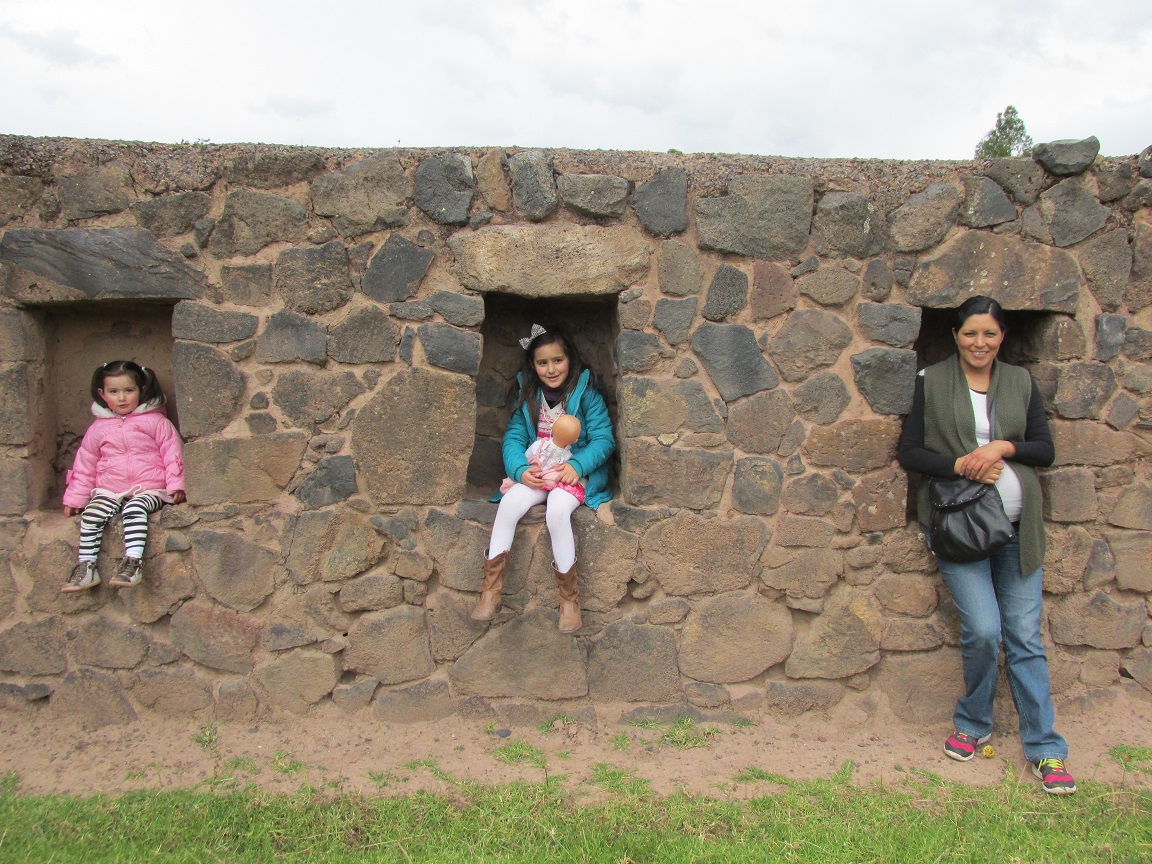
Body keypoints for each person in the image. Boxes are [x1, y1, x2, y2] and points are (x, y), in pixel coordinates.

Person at [897, 295, 1075, 794]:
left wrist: (1001, 447)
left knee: (1024, 637)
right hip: (960, 530)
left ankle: (1046, 749)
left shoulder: (1020, 383)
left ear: (1002, 339)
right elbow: (910, 452)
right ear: (955, 335)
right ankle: (973, 722)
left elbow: (1045, 449)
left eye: (990, 334)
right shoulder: (931, 381)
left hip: (1019, 531)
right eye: (971, 333)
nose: (980, 342)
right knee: (984, 631)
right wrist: (961, 464)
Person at [471, 324, 615, 632]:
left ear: (570, 360)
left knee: (558, 510)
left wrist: (578, 464)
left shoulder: (586, 394)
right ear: (533, 366)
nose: (551, 369)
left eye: (557, 360)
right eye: (542, 362)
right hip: (540, 470)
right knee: (509, 503)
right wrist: (521, 470)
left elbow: (603, 439)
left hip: (573, 473)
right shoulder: (529, 397)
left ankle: (569, 601)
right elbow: (513, 438)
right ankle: (490, 590)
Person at [61, 360, 186, 592]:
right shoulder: (98, 429)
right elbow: (85, 465)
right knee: (91, 516)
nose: (121, 398)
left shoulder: (156, 422)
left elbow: (173, 453)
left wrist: (176, 485)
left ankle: (133, 563)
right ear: (102, 394)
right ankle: (86, 567)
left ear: (141, 390)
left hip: (150, 488)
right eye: (114, 392)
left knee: (134, 510)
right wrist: (75, 499)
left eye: (129, 391)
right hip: (110, 490)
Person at [499, 413, 584, 502]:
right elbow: (518, 444)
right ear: (575, 441)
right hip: (535, 474)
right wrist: (521, 468)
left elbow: (528, 455)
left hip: (551, 478)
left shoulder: (539, 445)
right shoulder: (541, 445)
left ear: (552, 428)